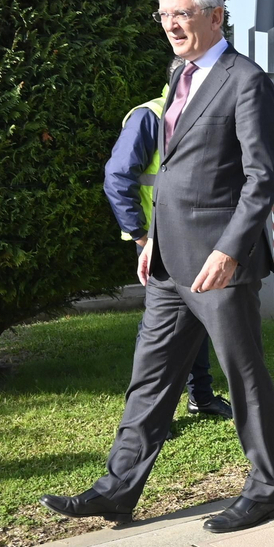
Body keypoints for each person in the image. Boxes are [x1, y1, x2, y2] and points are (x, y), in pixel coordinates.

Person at [41, 0, 274, 533]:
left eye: (182, 14)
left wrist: (230, 251)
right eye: (164, 16)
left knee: (243, 375)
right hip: (169, 261)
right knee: (150, 378)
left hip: (219, 264)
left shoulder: (246, 80)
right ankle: (117, 489)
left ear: (215, 16)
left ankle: (266, 489)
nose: (172, 25)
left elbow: (261, 177)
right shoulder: (181, 73)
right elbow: (173, 169)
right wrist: (149, 237)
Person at [103, 89, 233, 422]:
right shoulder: (151, 116)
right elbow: (117, 177)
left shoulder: (206, 112)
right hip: (156, 241)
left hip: (194, 237)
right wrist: (142, 237)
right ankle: (147, 414)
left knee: (196, 318)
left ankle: (200, 398)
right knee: (159, 330)